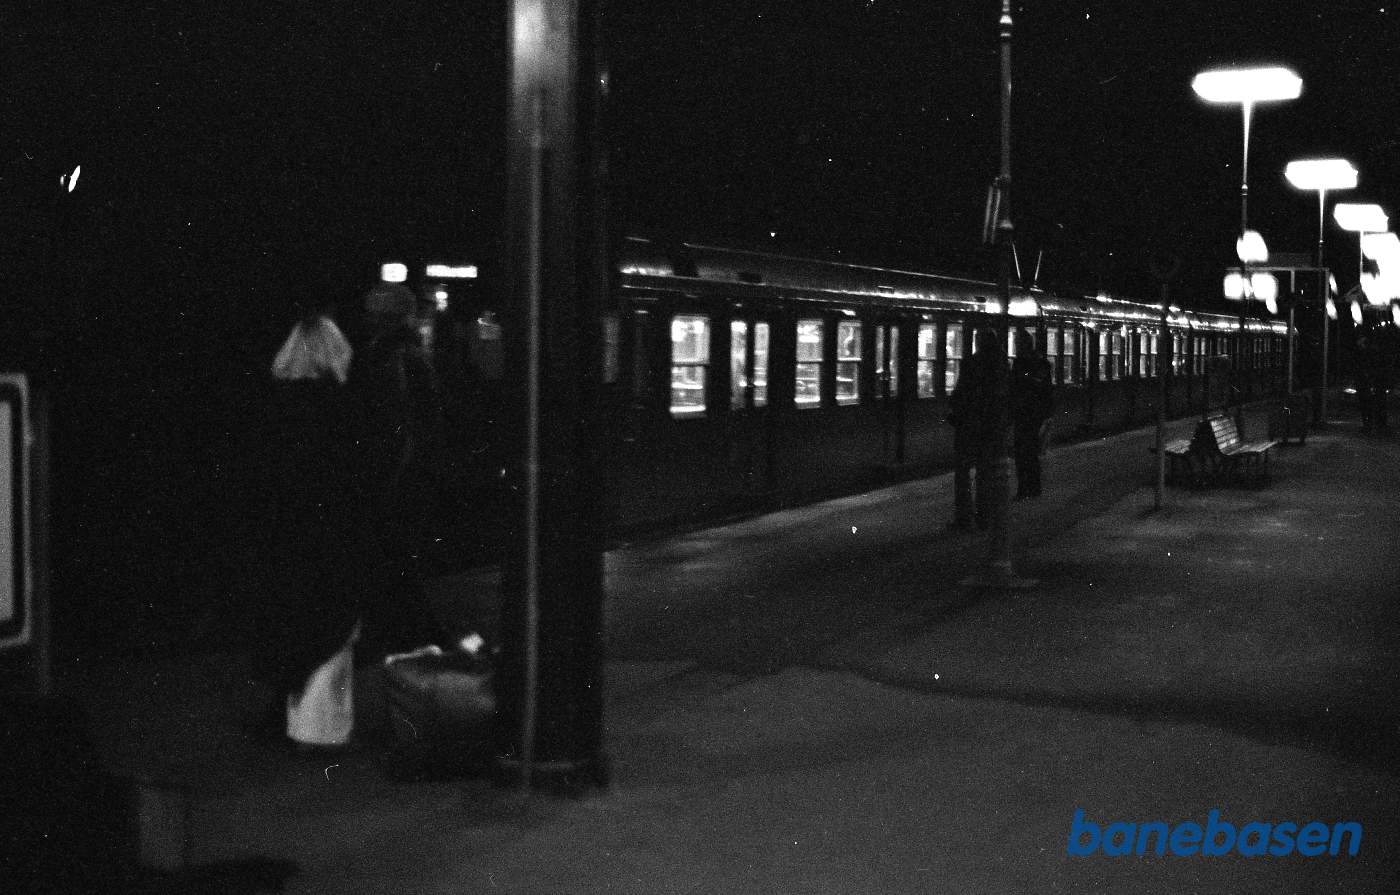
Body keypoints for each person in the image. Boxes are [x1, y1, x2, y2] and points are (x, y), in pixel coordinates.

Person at [257, 311, 368, 750]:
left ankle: (284, 714)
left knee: (288, 619)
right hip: (331, 533)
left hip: (281, 532)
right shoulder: (341, 405)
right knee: (331, 622)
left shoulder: (273, 405)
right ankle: (316, 728)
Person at [351, 283, 452, 661]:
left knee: (391, 562)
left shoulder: (394, 357)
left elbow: (401, 427)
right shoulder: (410, 354)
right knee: (396, 563)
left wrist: (389, 481)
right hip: (407, 478)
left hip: (397, 480)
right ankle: (418, 638)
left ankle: (422, 640)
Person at [947, 328, 1002, 529]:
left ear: (979, 342)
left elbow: (961, 392)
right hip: (990, 427)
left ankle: (964, 516)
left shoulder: (971, 363)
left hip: (969, 426)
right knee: (985, 473)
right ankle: (984, 516)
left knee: (962, 473)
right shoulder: (1002, 364)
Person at [1011, 328, 1054, 497]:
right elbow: (1046, 389)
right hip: (1036, 413)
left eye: (1017, 343)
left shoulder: (1022, 363)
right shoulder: (1041, 362)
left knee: (1022, 452)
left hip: (1025, 412)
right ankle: (1034, 488)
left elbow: (1020, 383)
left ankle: (1024, 489)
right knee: (1031, 452)